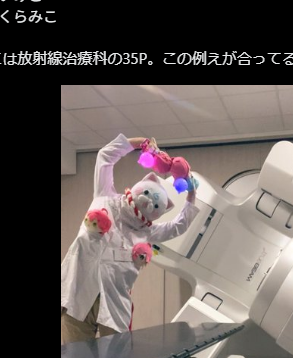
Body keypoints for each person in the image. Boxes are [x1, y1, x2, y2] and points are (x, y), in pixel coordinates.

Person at [61, 134, 200, 343]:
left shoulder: (147, 231)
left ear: (160, 211)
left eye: (155, 204)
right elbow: (105, 157)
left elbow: (178, 226)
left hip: (114, 305)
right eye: (147, 194)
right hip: (78, 296)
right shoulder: (104, 197)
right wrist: (140, 143)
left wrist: (191, 192)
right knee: (74, 357)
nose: (148, 202)